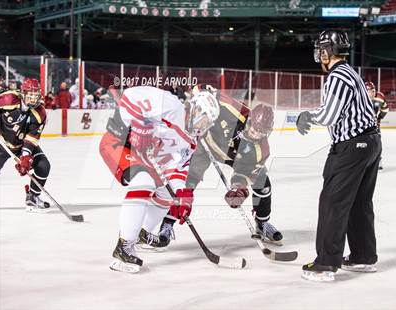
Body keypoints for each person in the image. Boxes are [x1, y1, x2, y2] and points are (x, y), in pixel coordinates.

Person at [145, 84, 282, 249]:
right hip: (206, 144)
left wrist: (238, 190)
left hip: (234, 157)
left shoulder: (261, 150)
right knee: (187, 183)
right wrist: (197, 105)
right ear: (249, 119)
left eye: (262, 133)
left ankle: (262, 223)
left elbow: (243, 174)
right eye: (254, 130)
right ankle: (167, 224)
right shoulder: (234, 109)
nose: (256, 135)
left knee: (263, 184)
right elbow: (201, 89)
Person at [99, 85, 219, 273]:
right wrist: (138, 124)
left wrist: (182, 196)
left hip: (146, 159)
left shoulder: (190, 141)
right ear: (195, 109)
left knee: (167, 193)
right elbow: (129, 96)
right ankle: (124, 246)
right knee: (143, 182)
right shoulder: (170, 105)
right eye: (203, 120)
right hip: (119, 142)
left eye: (207, 124)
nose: (203, 127)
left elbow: (177, 171)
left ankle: (142, 233)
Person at [296, 30, 382, 282]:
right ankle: (363, 257)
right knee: (359, 203)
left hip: (351, 147)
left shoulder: (337, 76)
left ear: (326, 51)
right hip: (370, 143)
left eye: (320, 49)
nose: (318, 54)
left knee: (333, 203)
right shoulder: (351, 72)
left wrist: (307, 115)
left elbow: (329, 115)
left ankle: (326, 264)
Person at [0, 78, 51, 212]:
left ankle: (32, 197)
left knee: (43, 165)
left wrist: (25, 158)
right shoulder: (8, 99)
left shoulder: (40, 113)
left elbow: (31, 138)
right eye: (30, 95)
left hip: (21, 146)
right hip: (1, 142)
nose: (33, 99)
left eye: (35, 95)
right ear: (23, 93)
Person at [365, 81, 388, 170]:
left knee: (377, 142)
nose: (372, 92)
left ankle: (378, 160)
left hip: (374, 125)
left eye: (373, 90)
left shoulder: (380, 97)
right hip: (363, 125)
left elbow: (385, 109)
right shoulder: (360, 97)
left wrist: (379, 118)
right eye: (370, 91)